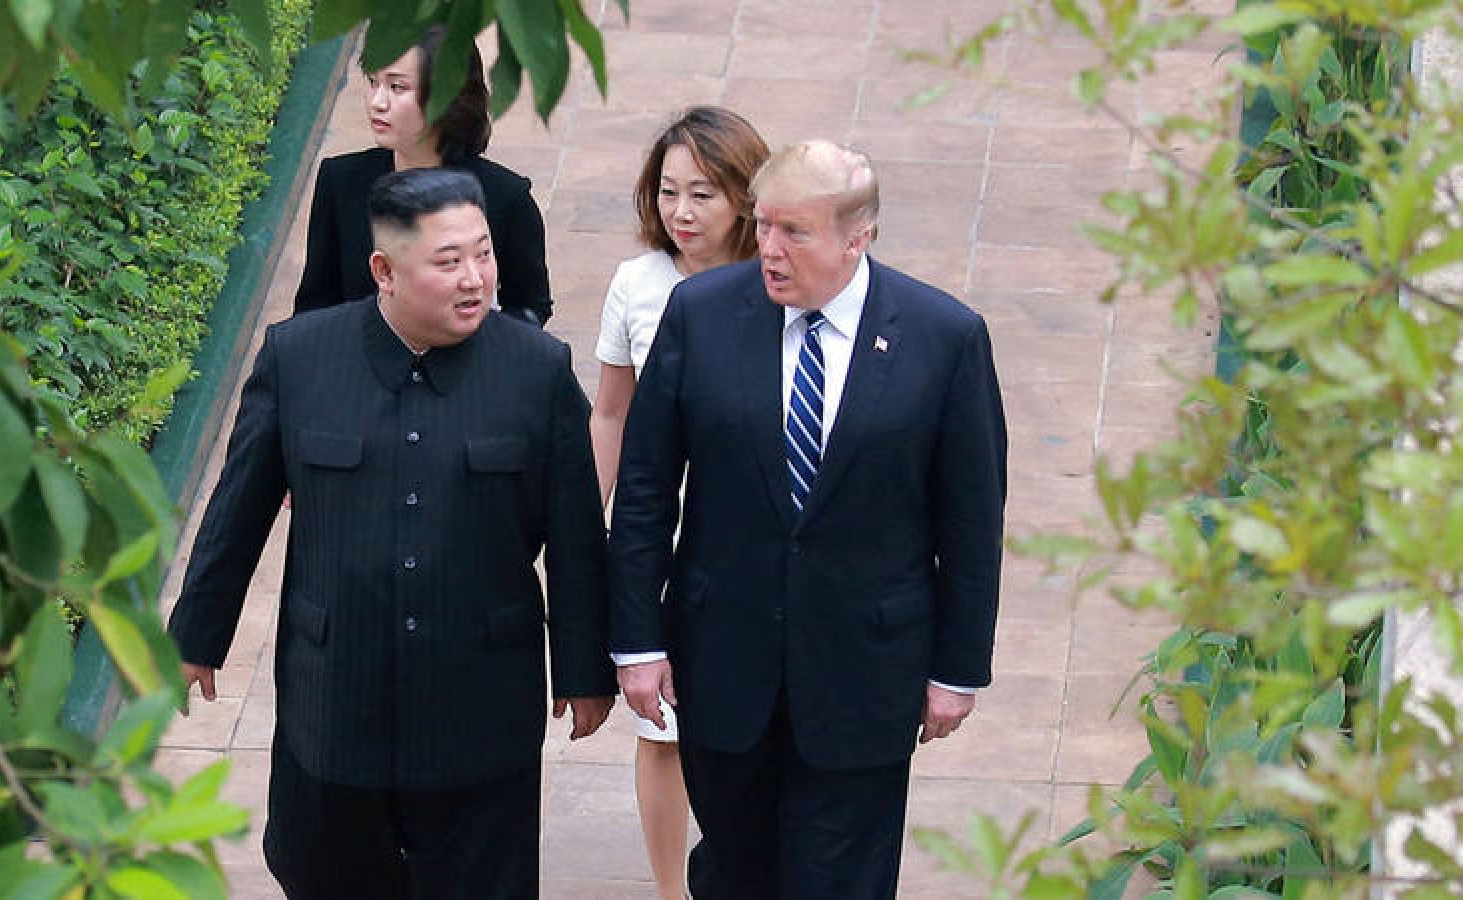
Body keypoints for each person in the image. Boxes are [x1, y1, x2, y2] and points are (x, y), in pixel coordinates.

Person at [169, 168, 615, 898]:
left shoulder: (536, 371)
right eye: (448, 261)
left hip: (482, 707)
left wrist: (584, 669)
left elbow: (575, 533)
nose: (475, 279)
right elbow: (236, 511)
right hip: (335, 701)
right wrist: (194, 638)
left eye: (484, 254)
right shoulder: (300, 357)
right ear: (385, 270)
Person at [608, 141, 1007, 899]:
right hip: (724, 669)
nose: (769, 249)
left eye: (794, 232)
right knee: (733, 875)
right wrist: (636, 641)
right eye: (762, 227)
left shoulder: (942, 337)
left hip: (866, 677)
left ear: (858, 237)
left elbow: (972, 518)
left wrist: (958, 669)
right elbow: (646, 489)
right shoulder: (701, 315)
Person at [589, 106, 768, 900]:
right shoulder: (638, 283)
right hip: (659, 535)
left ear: (745, 197)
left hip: (745, 539)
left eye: (703, 193)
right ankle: (671, 889)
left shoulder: (781, 280)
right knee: (658, 727)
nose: (682, 212)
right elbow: (611, 412)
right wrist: (591, 528)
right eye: (668, 192)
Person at [293, 25, 552, 325]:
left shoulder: (507, 198)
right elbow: (314, 308)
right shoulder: (341, 180)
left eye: (397, 87)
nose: (377, 101)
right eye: (373, 82)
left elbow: (530, 308)